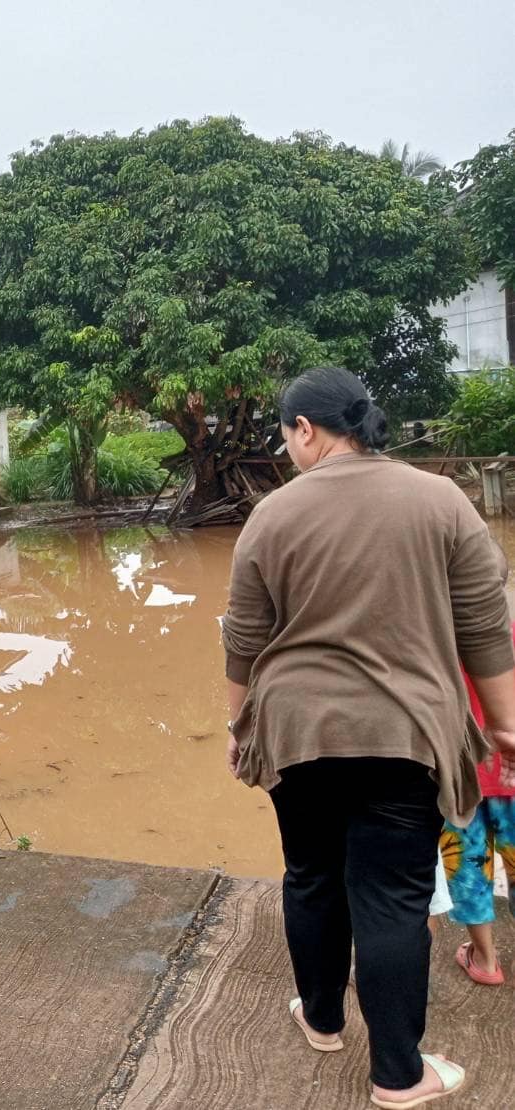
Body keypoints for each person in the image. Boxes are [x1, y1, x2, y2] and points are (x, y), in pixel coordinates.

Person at [222, 367, 515, 1109]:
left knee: (312, 875)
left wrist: (239, 729)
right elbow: (486, 624)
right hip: (405, 731)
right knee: (390, 896)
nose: (286, 448)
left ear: (307, 429)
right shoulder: (441, 500)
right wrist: (506, 725)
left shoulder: (271, 516)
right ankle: (398, 1075)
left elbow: (243, 644)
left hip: (295, 731)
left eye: (285, 433)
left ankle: (320, 1021)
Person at [440, 621, 515, 986]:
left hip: (459, 779)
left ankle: (486, 961)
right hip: (511, 773)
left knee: (469, 870)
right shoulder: (508, 636)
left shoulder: (435, 639)